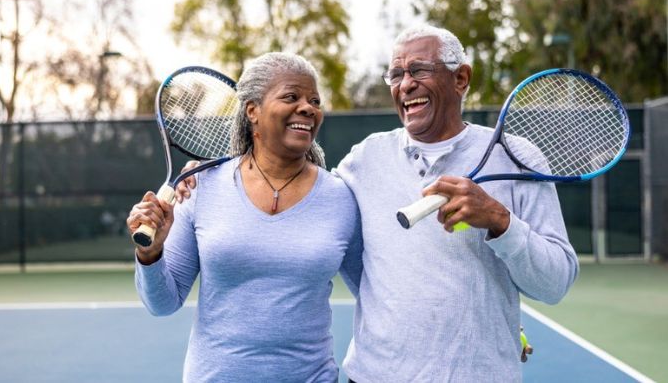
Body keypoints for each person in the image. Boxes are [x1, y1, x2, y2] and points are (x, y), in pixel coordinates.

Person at [177, 24, 576, 382]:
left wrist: (499, 222)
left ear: (461, 78)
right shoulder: (364, 162)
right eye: (396, 74)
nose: (406, 84)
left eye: (419, 70)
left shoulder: (517, 158)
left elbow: (555, 283)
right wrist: (214, 175)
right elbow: (346, 253)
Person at [126, 52, 363, 382]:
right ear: (252, 110)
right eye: (291, 97)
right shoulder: (201, 186)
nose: (308, 108)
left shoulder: (340, 197)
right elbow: (163, 303)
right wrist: (150, 253)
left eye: (315, 100)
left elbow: (374, 290)